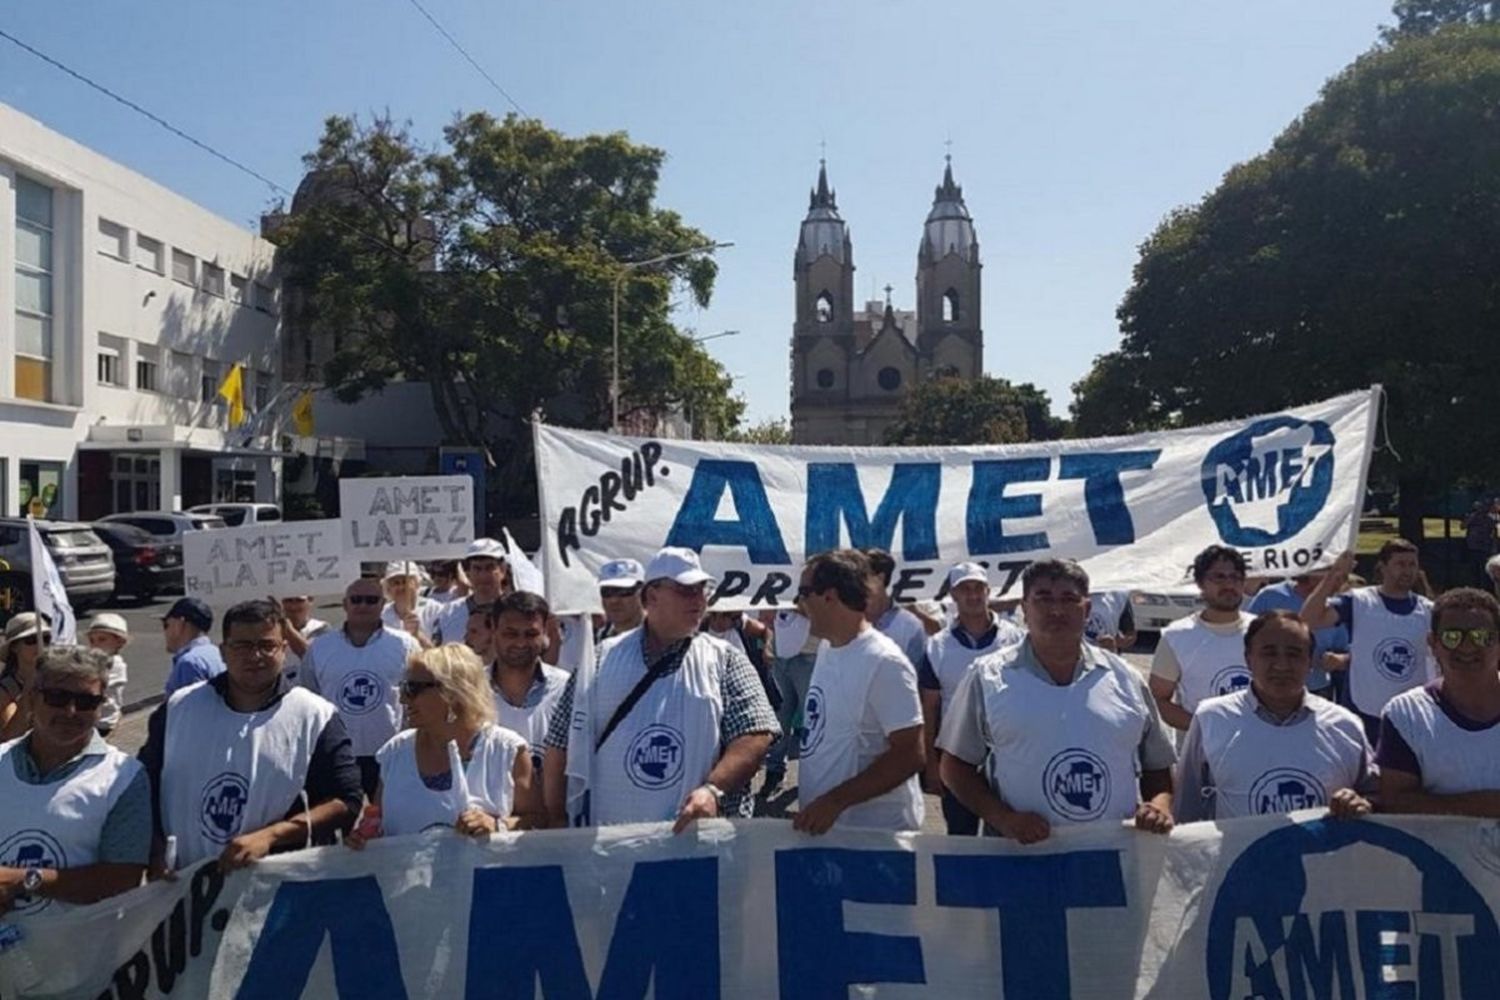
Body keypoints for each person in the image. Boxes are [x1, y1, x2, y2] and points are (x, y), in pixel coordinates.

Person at [938, 559, 1176, 843]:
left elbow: (1158, 767)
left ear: (1086, 609)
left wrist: (1159, 805)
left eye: (1069, 599)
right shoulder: (986, 677)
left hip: (1112, 859)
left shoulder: (1127, 679)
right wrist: (1003, 818)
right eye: (1043, 598)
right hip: (1022, 859)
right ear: (1024, 608)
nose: (1056, 610)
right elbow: (955, 767)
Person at [542, 546, 779, 830]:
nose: (699, 599)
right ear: (651, 595)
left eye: (702, 589)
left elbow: (755, 733)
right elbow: (560, 742)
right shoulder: (600, 658)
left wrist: (713, 789)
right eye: (685, 590)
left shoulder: (725, 660)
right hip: (613, 843)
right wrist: (555, 817)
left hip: (699, 843)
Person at [139, 600, 362, 870]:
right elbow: (142, 786)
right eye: (242, 646)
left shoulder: (316, 715)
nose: (255, 656)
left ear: (283, 649)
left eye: (266, 645)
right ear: (223, 651)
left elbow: (346, 801)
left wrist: (272, 835)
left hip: (275, 890)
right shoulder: (178, 708)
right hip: (185, 888)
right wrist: (153, 849)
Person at [1174, 611, 1373, 822]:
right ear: (1248, 659)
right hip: (1237, 855)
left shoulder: (1345, 726)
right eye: (1269, 653)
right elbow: (1187, 809)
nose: (1281, 665)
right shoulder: (1211, 719)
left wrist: (1363, 803)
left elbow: (1377, 797)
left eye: (1294, 654)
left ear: (1309, 662)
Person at [0, 646, 150, 916]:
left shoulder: (123, 778)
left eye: (86, 702)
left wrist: (21, 880)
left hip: (79, 953)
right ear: (32, 699)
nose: (71, 711)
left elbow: (122, 880)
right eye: (57, 697)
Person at [793, 550, 925, 834]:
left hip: (873, 839)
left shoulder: (884, 662)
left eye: (804, 593)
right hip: (830, 832)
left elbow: (910, 753)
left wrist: (835, 801)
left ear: (829, 596)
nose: (799, 603)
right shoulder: (829, 647)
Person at [352, 644, 540, 843]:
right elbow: (377, 820)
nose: (402, 698)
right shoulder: (395, 751)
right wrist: (364, 838)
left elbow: (540, 821)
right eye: (403, 687)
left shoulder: (507, 751)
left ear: (451, 693)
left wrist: (498, 826)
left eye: (412, 689)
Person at [920, 562, 1025, 834]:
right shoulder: (937, 646)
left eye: (978, 587)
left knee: (1007, 835)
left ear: (988, 591)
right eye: (965, 589)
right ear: (953, 595)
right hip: (957, 754)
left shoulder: (1016, 638)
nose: (973, 595)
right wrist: (932, 765)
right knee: (960, 834)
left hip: (1008, 752)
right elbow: (929, 708)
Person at [1378, 588, 1500, 815]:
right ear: (1433, 643)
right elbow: (1395, 801)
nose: (1467, 646)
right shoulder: (1405, 715)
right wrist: (1487, 805)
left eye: (1481, 636)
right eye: (1452, 637)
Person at [1303, 541, 1437, 742]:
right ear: (1383, 567)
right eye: (1400, 564)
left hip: (1412, 716)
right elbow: (1308, 620)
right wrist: (1333, 576)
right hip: (1365, 714)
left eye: (1412, 564)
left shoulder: (1429, 611)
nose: (1407, 570)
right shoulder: (1358, 601)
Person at [301, 577, 423, 797]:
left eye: (371, 600)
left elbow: (418, 696)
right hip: (337, 754)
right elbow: (308, 699)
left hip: (391, 752)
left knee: (390, 824)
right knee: (337, 823)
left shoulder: (406, 645)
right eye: (357, 600)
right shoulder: (320, 648)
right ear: (345, 604)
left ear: (382, 604)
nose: (363, 605)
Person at [1149, 546, 1254, 732]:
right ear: (1200, 583)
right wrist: (1206, 729)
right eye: (1219, 577)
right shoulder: (1176, 637)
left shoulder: (1261, 631)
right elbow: (1158, 699)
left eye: (1235, 577)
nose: (1229, 585)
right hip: (1200, 756)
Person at [487, 592, 569, 771]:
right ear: (493, 629)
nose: (521, 643)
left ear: (545, 632)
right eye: (511, 634)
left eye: (530, 634)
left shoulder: (567, 690)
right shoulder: (470, 689)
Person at [1245, 572, 1349, 699]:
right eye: (1331, 573)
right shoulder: (1269, 596)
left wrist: (1339, 660)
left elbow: (1346, 650)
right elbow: (1245, 637)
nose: (1341, 581)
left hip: (1317, 690)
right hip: (1268, 687)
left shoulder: (1335, 608)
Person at [762, 606, 820, 796]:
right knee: (779, 717)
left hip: (811, 654)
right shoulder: (783, 579)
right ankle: (774, 771)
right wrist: (769, 642)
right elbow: (769, 614)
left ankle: (815, 778)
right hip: (781, 654)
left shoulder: (818, 579)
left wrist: (799, 605)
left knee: (812, 722)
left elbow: (826, 612)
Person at [432, 539, 512, 646]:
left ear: (503, 569)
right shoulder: (450, 612)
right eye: (477, 569)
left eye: (489, 568)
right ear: (468, 572)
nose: (483, 576)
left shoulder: (515, 611)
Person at [862, 548, 928, 669]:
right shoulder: (844, 619)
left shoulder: (910, 626)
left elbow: (917, 677)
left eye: (861, 576)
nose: (854, 583)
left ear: (880, 578)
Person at [0, 612, 51, 741]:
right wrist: (27, 695)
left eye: (46, 639)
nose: (41, 645)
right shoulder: (6, 689)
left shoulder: (57, 679)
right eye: (31, 640)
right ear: (14, 648)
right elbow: (11, 738)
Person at [161, 597, 225, 695]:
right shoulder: (217, 654)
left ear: (179, 624)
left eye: (166, 624)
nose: (165, 632)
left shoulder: (189, 663)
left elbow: (192, 708)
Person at [83, 613, 131, 736]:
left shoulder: (115, 664)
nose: (95, 644)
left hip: (104, 721)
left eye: (102, 639)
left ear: (119, 642)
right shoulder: (97, 662)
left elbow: (95, 685)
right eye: (92, 640)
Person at [381, 560, 443, 648]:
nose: (401, 587)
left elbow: (441, 653)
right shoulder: (382, 615)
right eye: (395, 583)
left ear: (417, 584)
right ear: (388, 588)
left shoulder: (435, 610)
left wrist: (418, 635)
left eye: (405, 582)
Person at [276, 595, 331, 686]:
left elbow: (309, 656)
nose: (293, 606)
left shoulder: (322, 629)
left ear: (310, 600)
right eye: (288, 601)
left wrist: (287, 626)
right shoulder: (273, 630)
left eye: (299, 601)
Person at [596, 558, 646, 642]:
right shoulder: (597, 640)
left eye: (623, 591)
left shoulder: (660, 637)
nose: (613, 600)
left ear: (643, 593)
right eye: (607, 592)